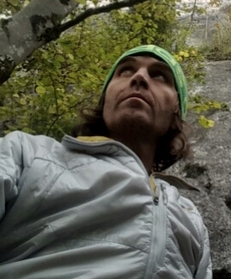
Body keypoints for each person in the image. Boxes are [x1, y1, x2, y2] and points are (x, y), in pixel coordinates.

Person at [0, 44, 212, 278]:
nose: (139, 77)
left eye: (159, 75)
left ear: (175, 109)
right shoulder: (27, 154)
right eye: (125, 71)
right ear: (105, 100)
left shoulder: (190, 217)